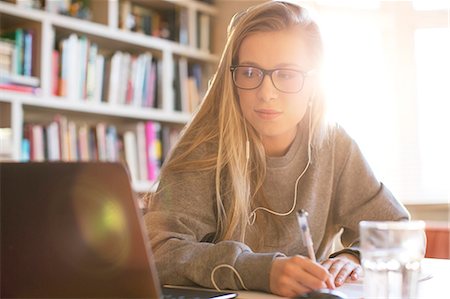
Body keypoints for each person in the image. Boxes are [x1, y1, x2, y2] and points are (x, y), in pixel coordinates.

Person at [144, 1, 409, 297]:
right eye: (249, 73)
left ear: (314, 82)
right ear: (232, 80)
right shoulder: (204, 148)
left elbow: (399, 231)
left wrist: (352, 257)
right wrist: (259, 271)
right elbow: (158, 252)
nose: (266, 93)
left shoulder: (334, 145)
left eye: (286, 74)